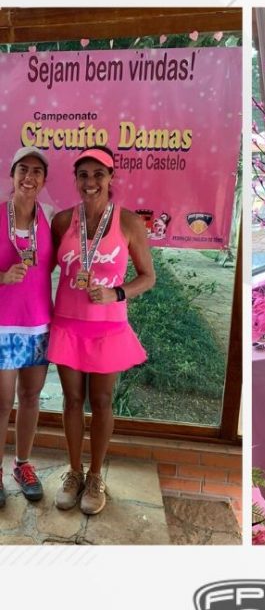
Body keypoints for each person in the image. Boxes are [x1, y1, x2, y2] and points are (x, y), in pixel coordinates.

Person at [48, 146, 155, 515]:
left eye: (98, 174)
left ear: (111, 178)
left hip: (108, 327)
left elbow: (148, 277)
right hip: (67, 324)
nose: (90, 182)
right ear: (75, 180)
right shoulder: (63, 221)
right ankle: (74, 472)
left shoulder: (129, 223)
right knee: (71, 400)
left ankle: (95, 476)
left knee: (103, 401)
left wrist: (116, 293)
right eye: (83, 175)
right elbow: (42, 268)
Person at [0, 147, 53, 507]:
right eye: (23, 169)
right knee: (2, 401)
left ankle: (22, 465)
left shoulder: (50, 218)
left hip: (38, 324)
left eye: (36, 171)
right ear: (12, 174)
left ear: (44, 180)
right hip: (3, 326)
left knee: (31, 397)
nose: (29, 177)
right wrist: (3, 277)